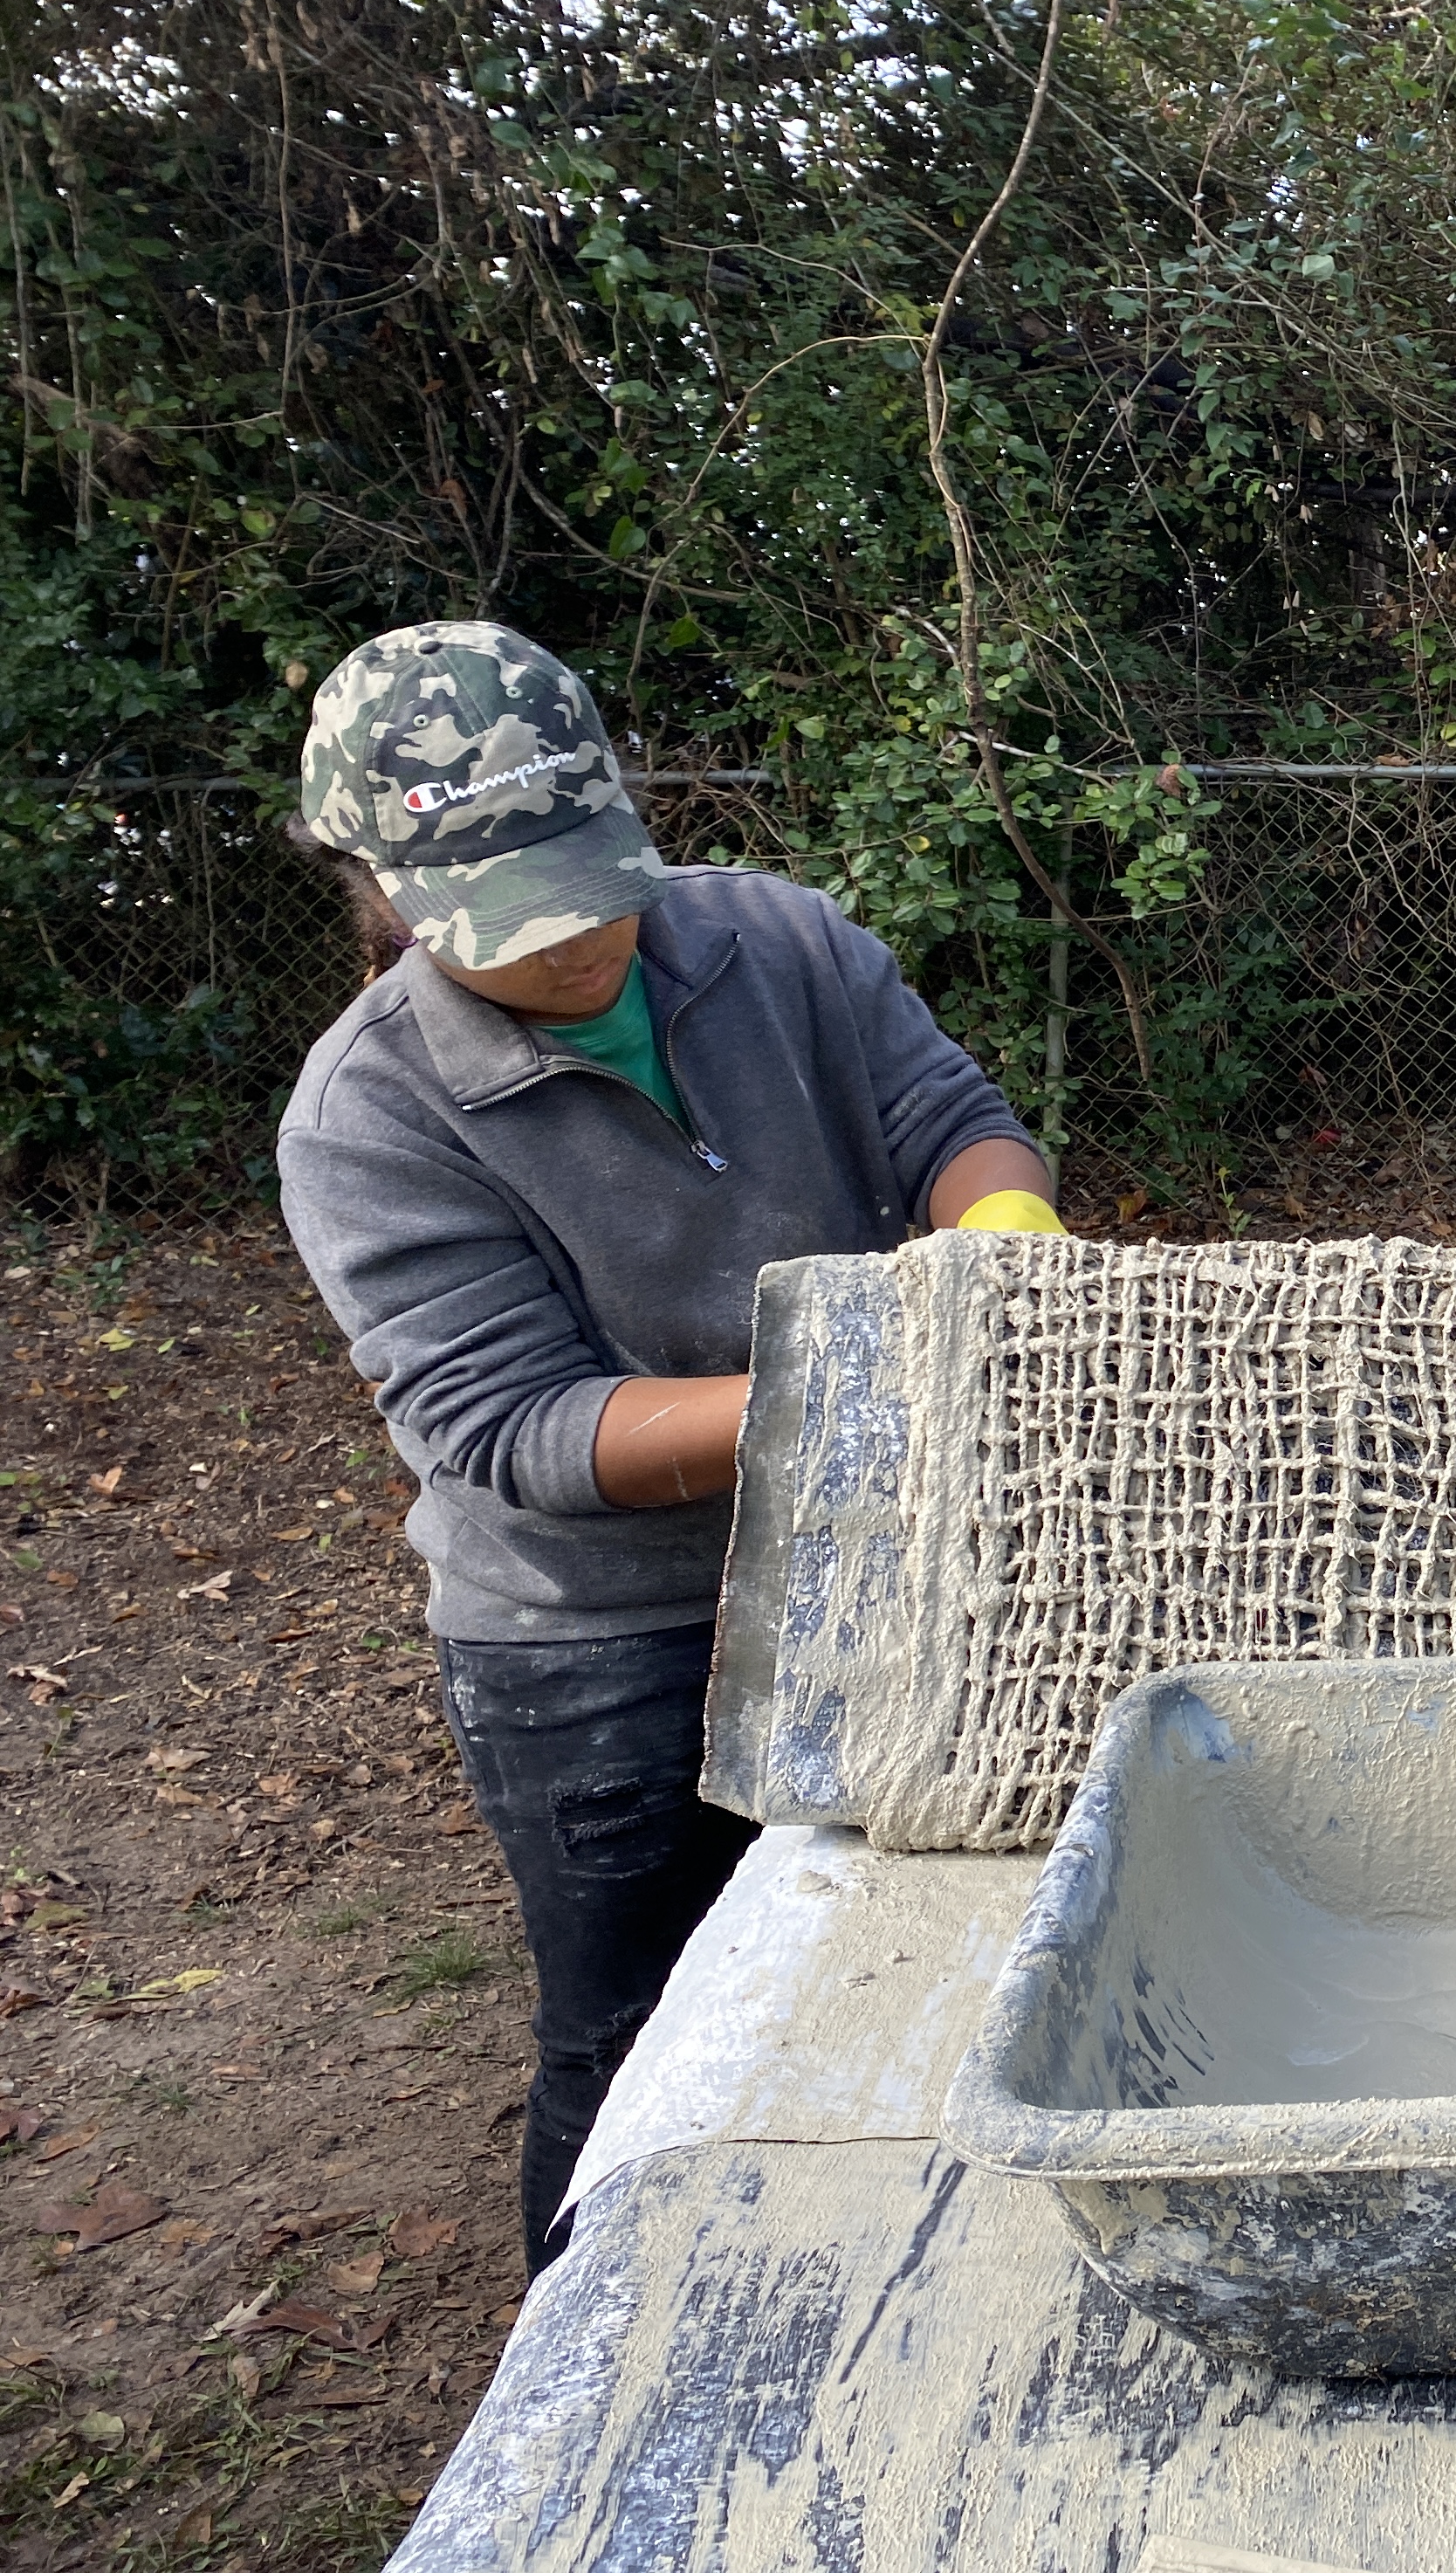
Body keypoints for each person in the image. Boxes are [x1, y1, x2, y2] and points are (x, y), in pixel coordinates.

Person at [273, 623, 1065, 2274]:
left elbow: (947, 1118)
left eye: (590, 883)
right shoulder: (369, 1117)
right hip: (595, 1639)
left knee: (895, 1944)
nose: (577, 942)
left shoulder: (774, 940)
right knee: (626, 2030)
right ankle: (594, 2352)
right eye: (514, 919)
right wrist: (885, 1365)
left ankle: (863, 2266)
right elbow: (517, 1428)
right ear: (379, 892)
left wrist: (1006, 1244)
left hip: (874, 1553)